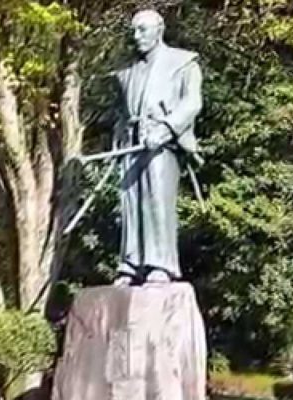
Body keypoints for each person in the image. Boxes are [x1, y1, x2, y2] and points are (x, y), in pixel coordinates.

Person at [112, 9, 203, 285]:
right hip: (131, 145)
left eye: (143, 29)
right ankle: (130, 264)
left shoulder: (183, 62)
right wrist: (117, 141)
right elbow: (121, 113)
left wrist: (166, 129)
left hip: (161, 145)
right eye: (134, 31)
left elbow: (192, 102)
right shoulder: (127, 72)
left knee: (157, 200)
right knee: (130, 204)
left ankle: (161, 264)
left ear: (159, 29)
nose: (136, 36)